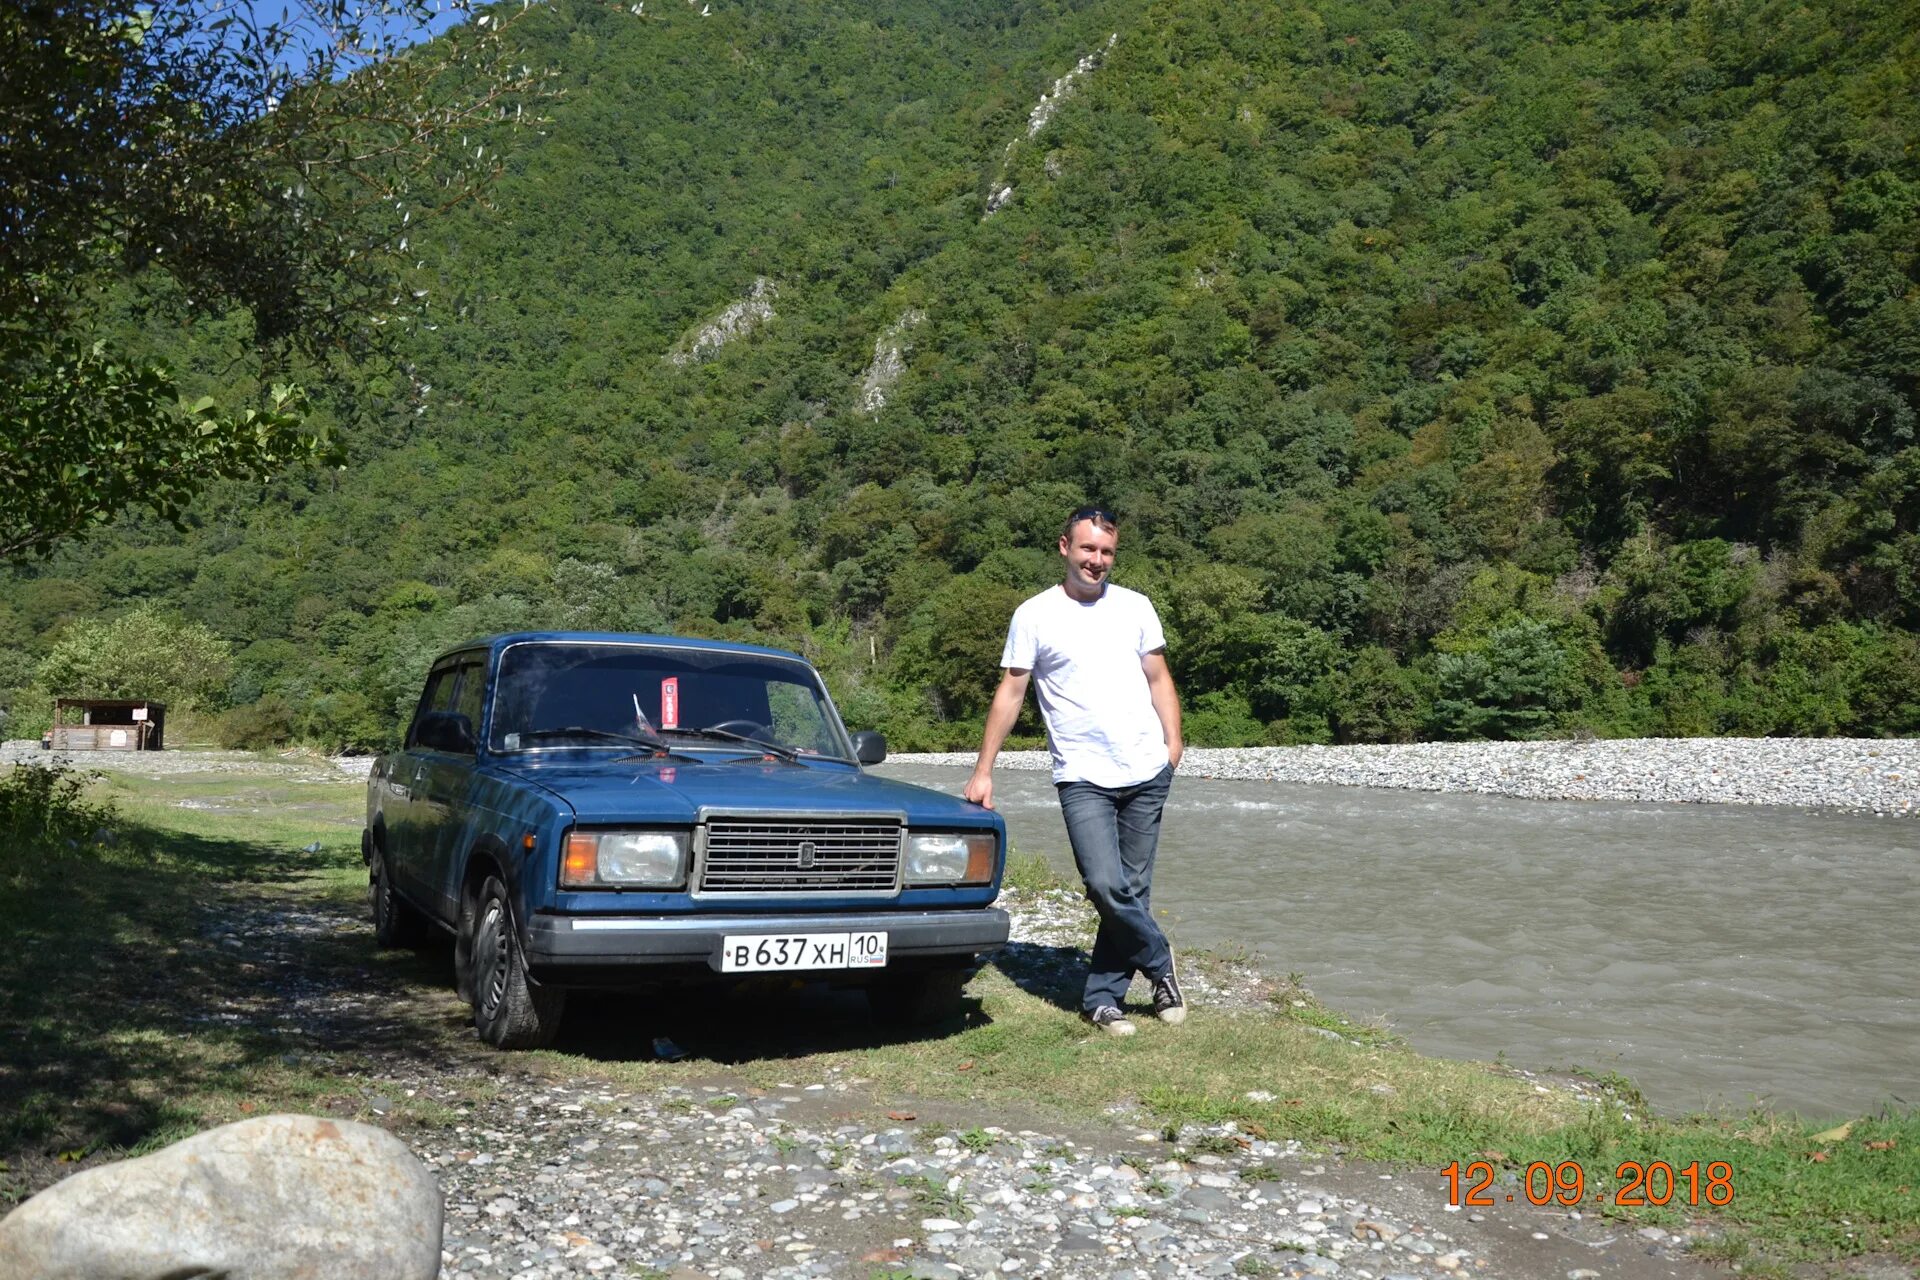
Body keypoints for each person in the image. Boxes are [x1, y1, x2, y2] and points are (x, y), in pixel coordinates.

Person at [963, 506, 1185, 1035]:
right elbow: (1011, 692)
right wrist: (983, 770)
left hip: (1146, 768)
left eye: (1106, 552)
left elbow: (1159, 678)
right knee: (1105, 885)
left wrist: (1173, 745)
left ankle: (1102, 1000)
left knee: (1133, 888)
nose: (1097, 561)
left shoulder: (1136, 607)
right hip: (1082, 774)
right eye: (1088, 549)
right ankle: (1160, 962)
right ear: (1065, 547)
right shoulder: (1034, 614)